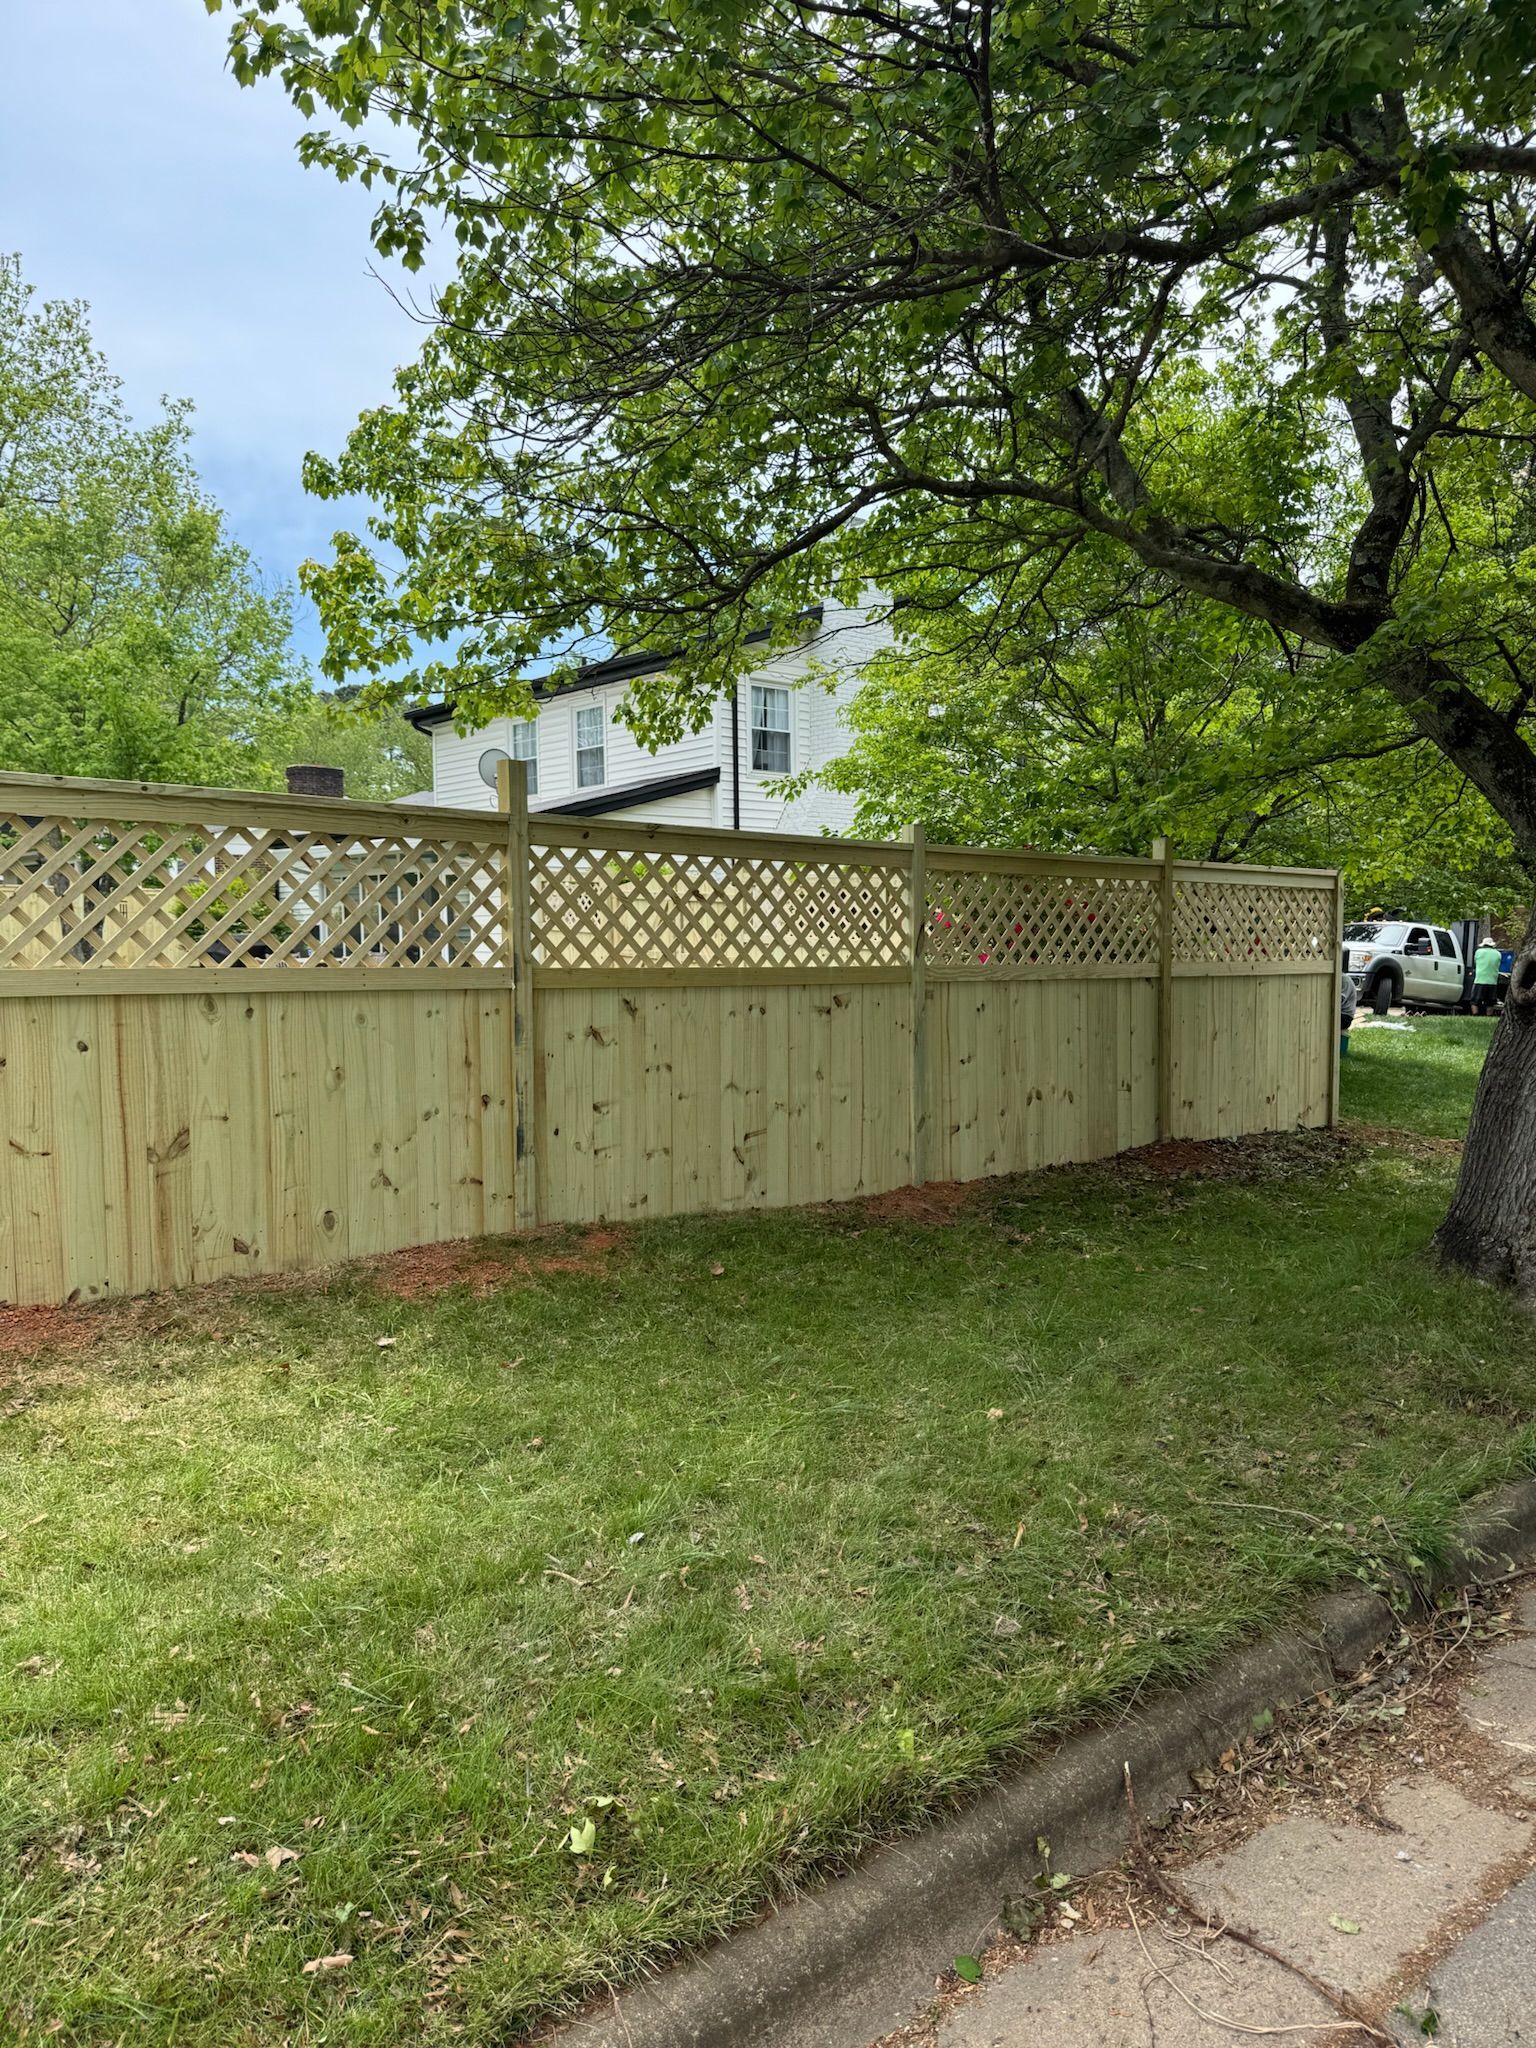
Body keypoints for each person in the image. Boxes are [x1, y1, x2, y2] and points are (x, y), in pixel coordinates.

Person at [1472, 934, 1503, 1015]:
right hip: (1492, 981)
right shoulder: (1498, 954)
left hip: (1480, 979)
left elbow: (1475, 962)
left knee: (1475, 1001)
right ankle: (1488, 1016)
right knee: (1490, 1002)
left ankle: (1475, 1015)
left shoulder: (1478, 952)